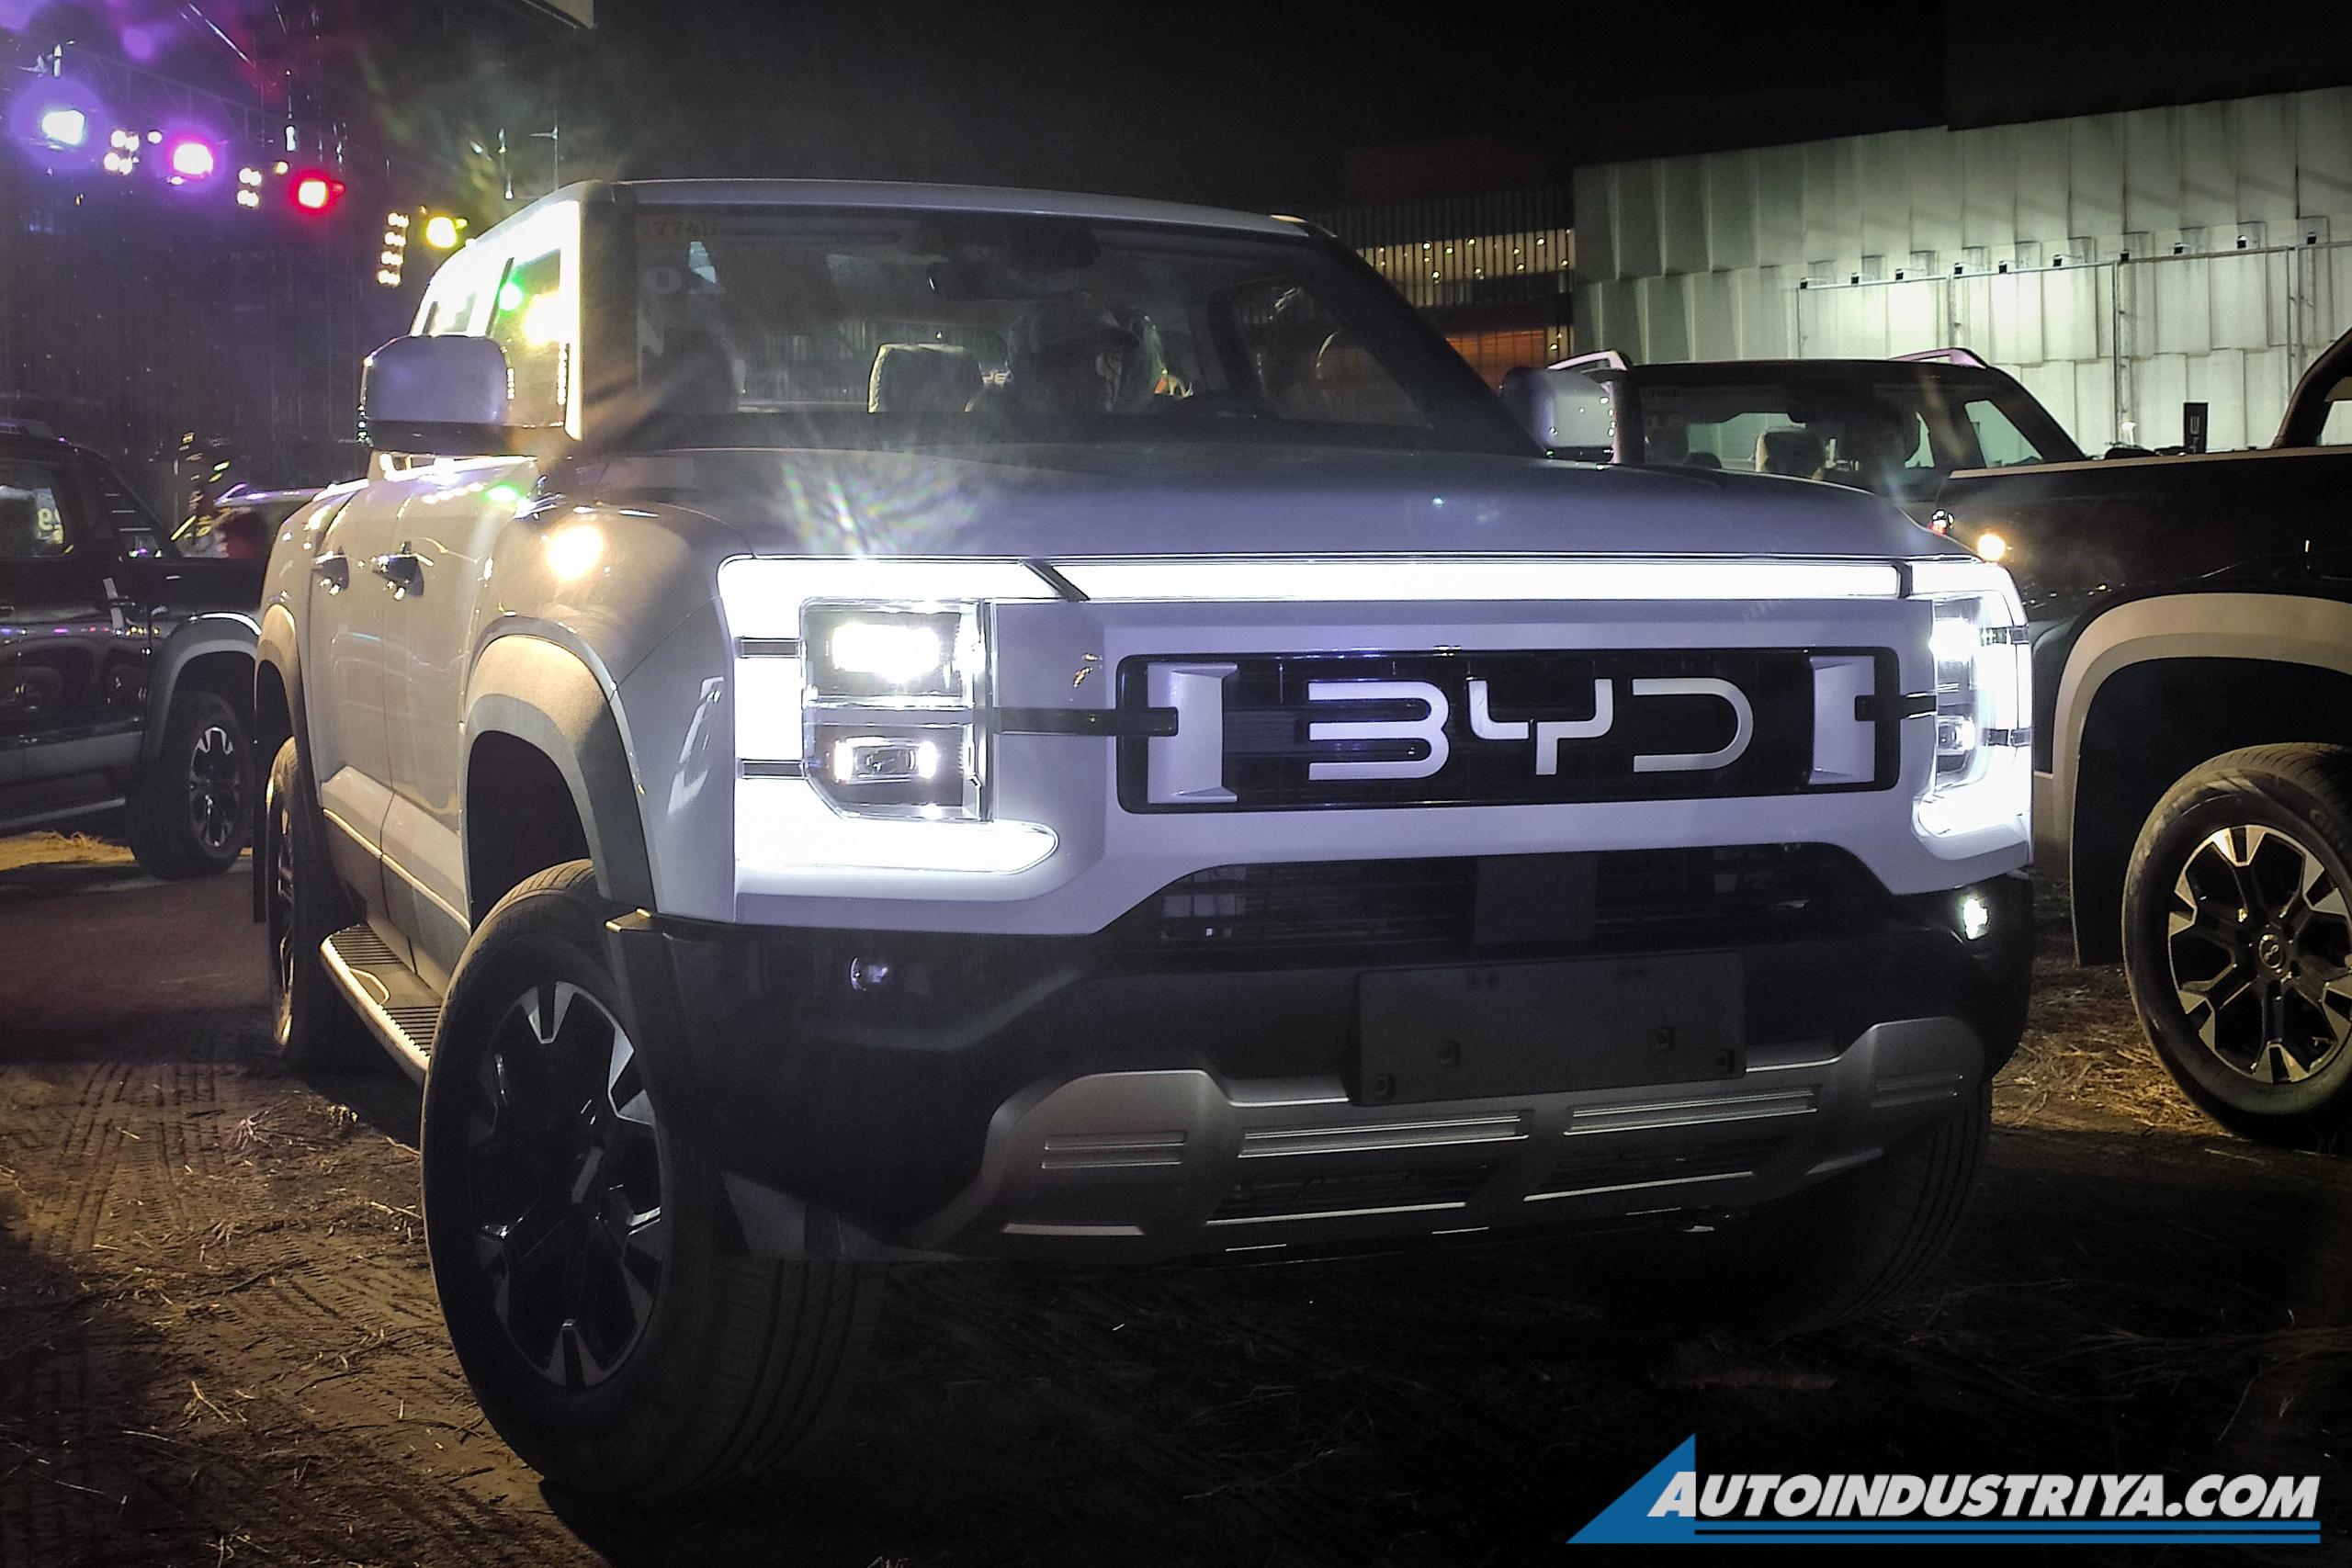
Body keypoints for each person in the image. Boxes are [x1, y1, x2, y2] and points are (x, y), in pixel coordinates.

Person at [1003, 296, 1142, 418]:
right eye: (1085, 357)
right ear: (1046, 369)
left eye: (1114, 359)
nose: (1102, 374)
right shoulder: (1011, 433)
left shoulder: (1136, 433)